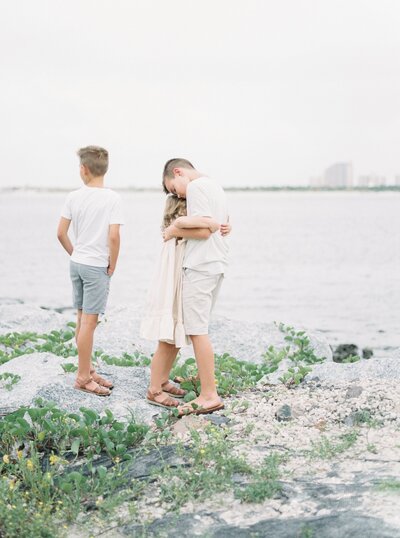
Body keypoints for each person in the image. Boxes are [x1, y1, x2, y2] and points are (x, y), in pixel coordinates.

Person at [150, 158, 230, 415]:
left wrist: (174, 229)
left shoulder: (195, 187)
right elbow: (219, 225)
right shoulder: (215, 186)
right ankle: (202, 388)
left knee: (197, 331)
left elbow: (204, 230)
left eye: (173, 188)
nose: (177, 195)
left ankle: (209, 394)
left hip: (200, 265)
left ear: (178, 172)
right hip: (217, 263)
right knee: (198, 328)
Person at [57, 146, 124, 396]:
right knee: (89, 323)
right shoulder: (112, 199)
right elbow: (114, 236)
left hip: (77, 263)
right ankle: (83, 377)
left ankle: (87, 368)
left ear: (83, 170)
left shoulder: (73, 196)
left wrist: (76, 253)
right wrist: (113, 263)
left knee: (82, 318)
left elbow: (60, 233)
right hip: (96, 266)